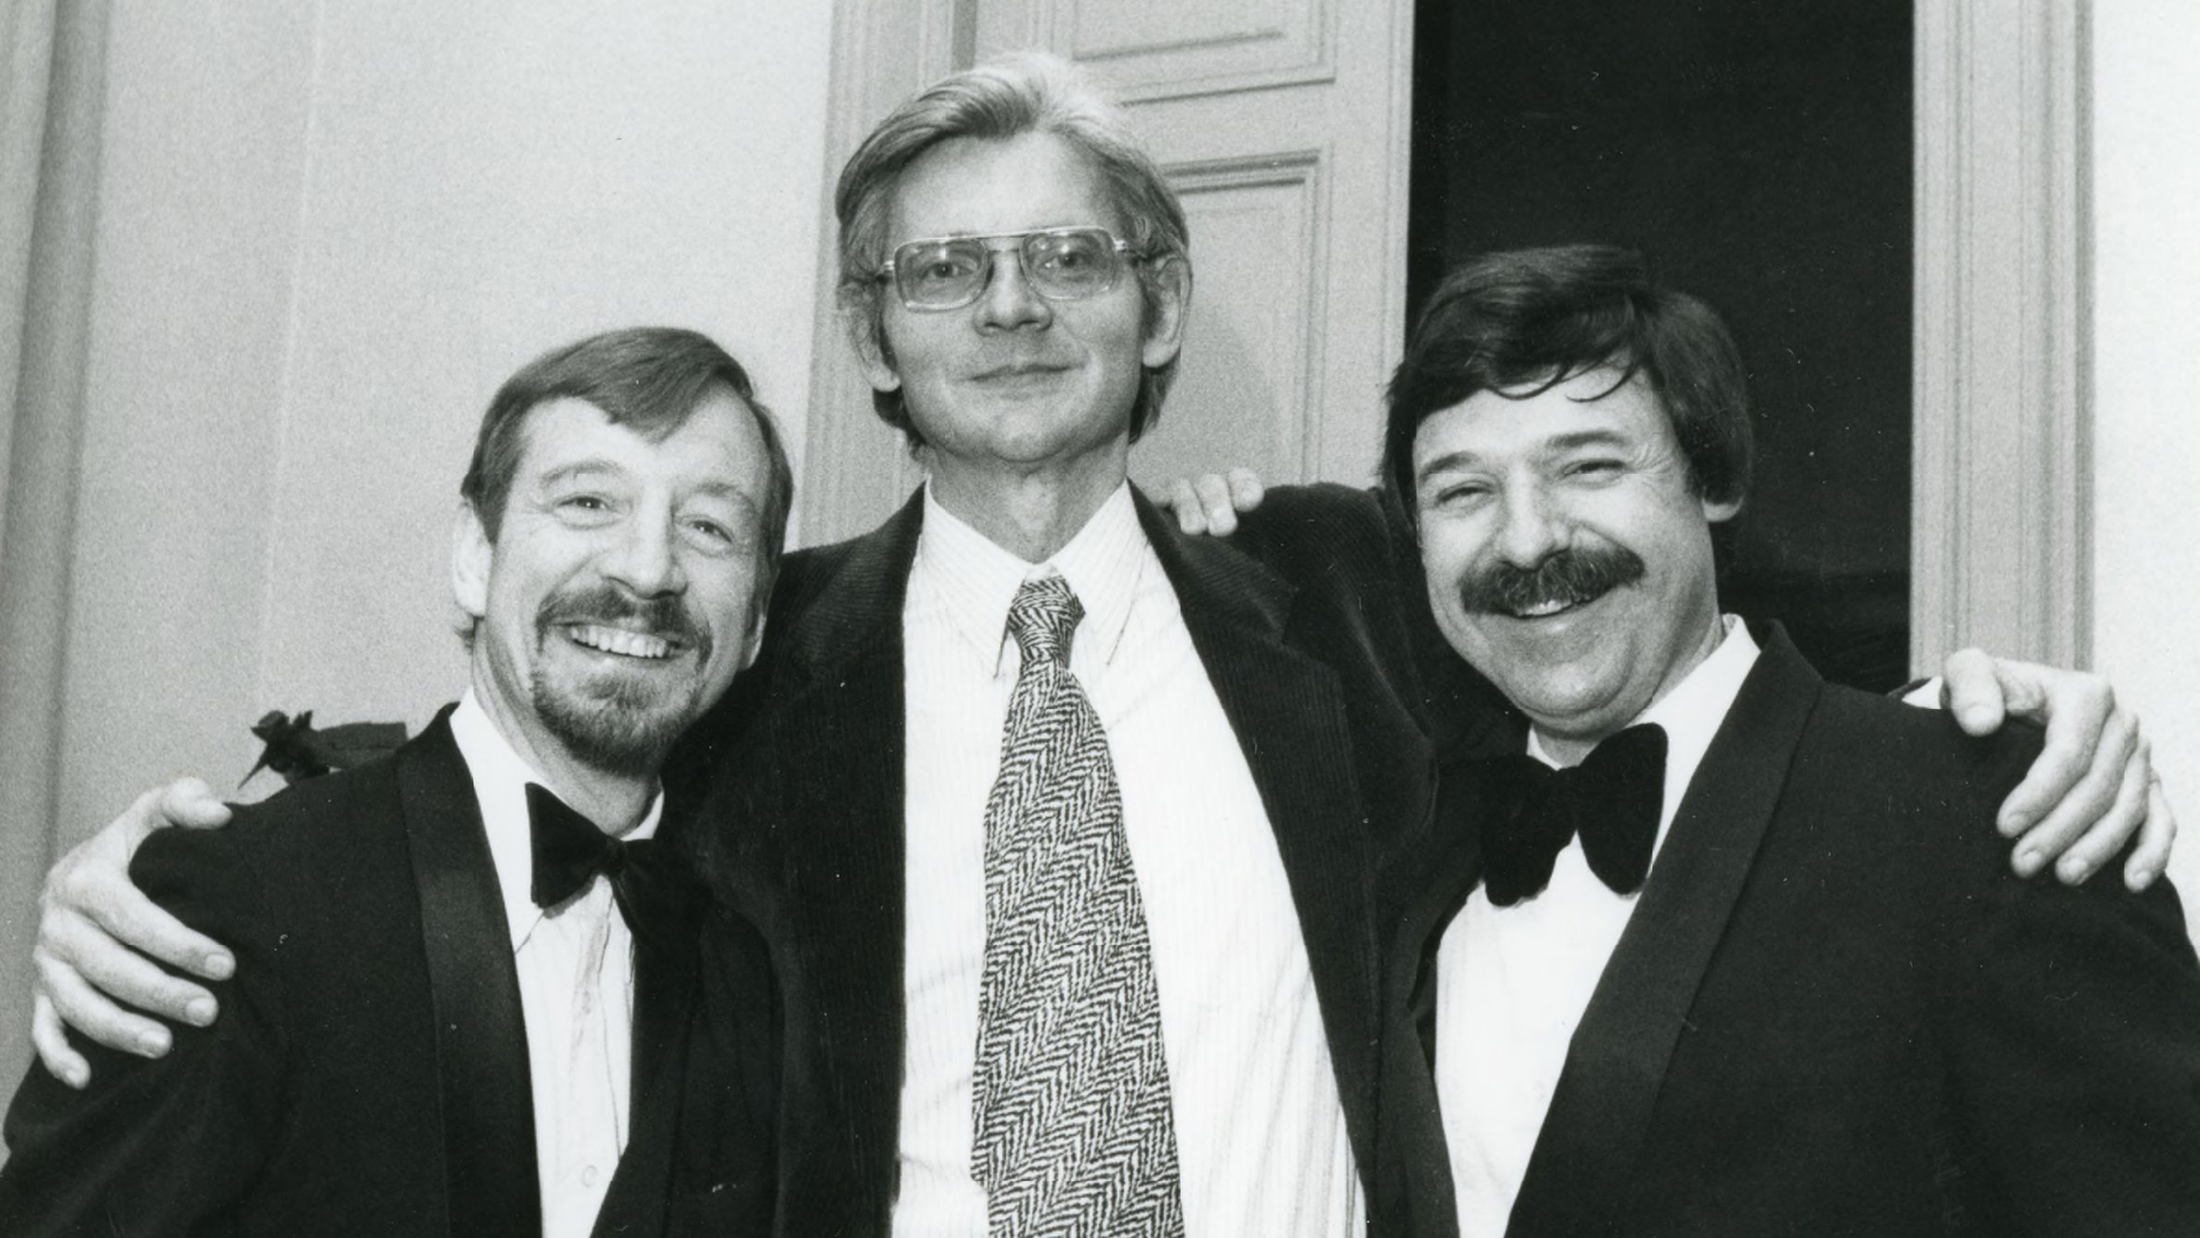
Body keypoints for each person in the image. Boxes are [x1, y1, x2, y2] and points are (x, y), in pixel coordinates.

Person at [19, 55, 2172, 1237]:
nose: (1013, 303)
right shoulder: (760, 678)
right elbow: (546, 747)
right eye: (944, 269)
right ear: (871, 335)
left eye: (1071, 254)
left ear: (1160, 304)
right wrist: (174, 856)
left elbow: (1620, 653)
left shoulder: (1355, 600)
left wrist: (1981, 712)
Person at [1371, 246, 2200, 1237]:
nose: (1524, 539)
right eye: (1462, 490)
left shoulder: (1990, 813)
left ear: (1712, 477)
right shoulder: (1409, 858)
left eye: (1587, 465)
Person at [0, 328, 790, 1237]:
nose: (648, 569)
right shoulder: (234, 900)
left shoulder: (747, 967)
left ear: (758, 623)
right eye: (587, 502)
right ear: (474, 557)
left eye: (709, 526)